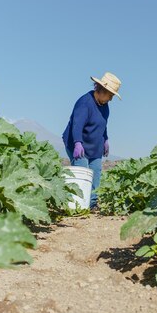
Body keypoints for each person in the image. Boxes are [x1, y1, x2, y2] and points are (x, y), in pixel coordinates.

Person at [62, 72, 122, 211]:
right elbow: (77, 124)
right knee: (82, 174)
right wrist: (77, 142)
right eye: (110, 95)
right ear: (102, 90)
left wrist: (105, 139)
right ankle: (77, 205)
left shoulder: (105, 106)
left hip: (95, 146)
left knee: (96, 172)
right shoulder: (85, 102)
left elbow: (103, 124)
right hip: (78, 144)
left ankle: (92, 204)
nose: (111, 99)